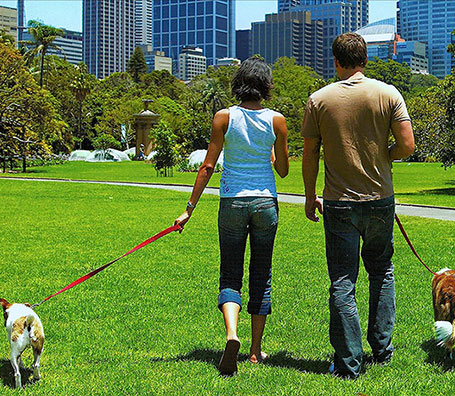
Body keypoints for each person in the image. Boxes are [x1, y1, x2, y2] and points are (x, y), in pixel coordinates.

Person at [301, 33, 415, 379]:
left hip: (338, 203)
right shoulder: (389, 93)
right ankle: (381, 350)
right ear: (365, 59)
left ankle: (349, 363)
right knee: (381, 271)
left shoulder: (318, 100)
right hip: (380, 199)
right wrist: (386, 156)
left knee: (342, 281)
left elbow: (310, 155)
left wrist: (309, 196)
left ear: (336, 61)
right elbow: (408, 145)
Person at [174, 56, 289, 376]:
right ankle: (254, 352)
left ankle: (231, 334)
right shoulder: (277, 120)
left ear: (238, 84)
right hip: (265, 203)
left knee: (230, 275)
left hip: (232, 204)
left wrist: (189, 209)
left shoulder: (223, 117)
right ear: (266, 86)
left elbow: (207, 166)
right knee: (261, 275)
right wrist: (268, 152)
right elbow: (282, 169)